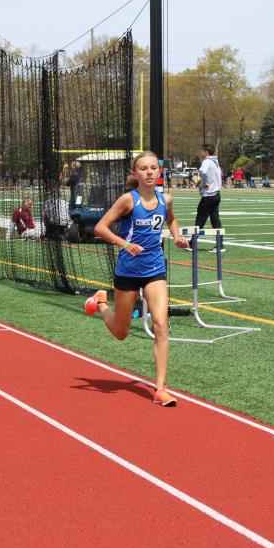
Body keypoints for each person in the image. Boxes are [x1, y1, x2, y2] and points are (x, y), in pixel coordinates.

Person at [84, 151, 190, 407]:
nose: (149, 172)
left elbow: (171, 219)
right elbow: (100, 227)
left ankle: (160, 388)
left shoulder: (166, 199)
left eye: (153, 167)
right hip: (128, 271)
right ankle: (101, 303)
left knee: (161, 324)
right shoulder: (128, 200)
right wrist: (124, 243)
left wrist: (177, 237)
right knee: (121, 332)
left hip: (155, 269)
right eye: (143, 168)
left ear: (159, 172)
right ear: (135, 174)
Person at [195, 143, 224, 252]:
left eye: (202, 151)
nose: (201, 153)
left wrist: (202, 182)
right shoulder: (216, 162)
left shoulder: (207, 161)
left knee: (200, 220)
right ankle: (220, 245)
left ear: (206, 152)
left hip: (208, 195)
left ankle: (192, 243)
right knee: (215, 220)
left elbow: (202, 172)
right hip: (216, 195)